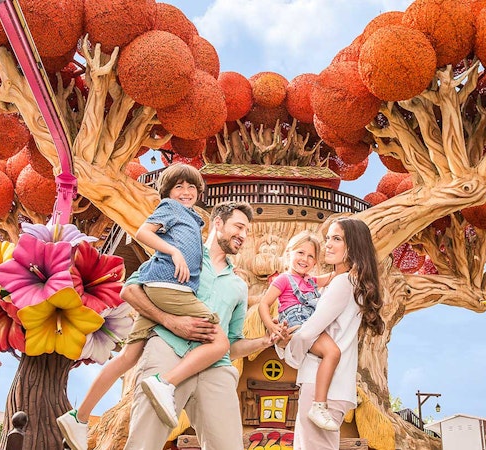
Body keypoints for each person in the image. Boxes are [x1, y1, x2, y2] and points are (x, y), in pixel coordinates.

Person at [57, 165, 232, 449]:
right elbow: (142, 231)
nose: (185, 192)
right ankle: (166, 383)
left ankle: (80, 416)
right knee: (219, 340)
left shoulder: (191, 219)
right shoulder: (171, 208)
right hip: (170, 288)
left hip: (156, 288)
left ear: (199, 192)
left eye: (191, 187)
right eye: (179, 187)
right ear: (167, 191)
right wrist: (173, 251)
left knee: (128, 356)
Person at [123, 200, 282, 450]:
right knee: (145, 442)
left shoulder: (239, 287)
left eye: (246, 232)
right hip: (168, 351)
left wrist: (264, 342)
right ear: (217, 223)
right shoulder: (178, 254)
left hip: (215, 369)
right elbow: (131, 290)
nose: (242, 235)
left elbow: (231, 344)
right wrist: (170, 321)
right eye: (238, 227)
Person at [277, 217, 384, 449]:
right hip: (337, 384)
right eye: (328, 238)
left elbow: (308, 333)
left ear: (353, 246)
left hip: (320, 385)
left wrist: (287, 352)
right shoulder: (352, 284)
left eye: (337, 239)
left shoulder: (343, 283)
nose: (328, 244)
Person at [258, 230, 341, 431]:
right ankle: (319, 406)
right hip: (296, 324)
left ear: (315, 262)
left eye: (311, 256)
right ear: (289, 254)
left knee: (330, 353)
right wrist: (272, 327)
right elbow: (264, 304)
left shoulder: (312, 282)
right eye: (300, 253)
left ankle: (319, 400)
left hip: (311, 324)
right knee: (333, 352)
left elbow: (334, 275)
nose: (305, 259)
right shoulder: (283, 280)